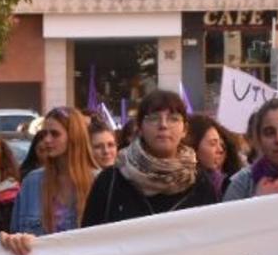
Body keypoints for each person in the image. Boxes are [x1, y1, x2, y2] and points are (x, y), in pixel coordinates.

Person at [84, 90, 219, 225]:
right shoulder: (111, 181)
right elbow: (90, 238)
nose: (163, 125)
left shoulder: (200, 183)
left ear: (184, 129)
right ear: (140, 127)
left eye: (173, 118)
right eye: (154, 118)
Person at [10, 109, 96, 235]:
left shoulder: (98, 182)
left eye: (55, 134)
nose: (47, 140)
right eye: (44, 134)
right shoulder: (31, 182)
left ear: (74, 137)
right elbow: (15, 232)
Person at [186, 114, 243, 197]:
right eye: (213, 144)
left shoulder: (232, 184)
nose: (220, 150)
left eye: (222, 145)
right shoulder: (181, 185)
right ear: (193, 146)